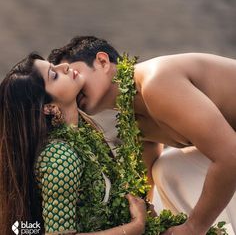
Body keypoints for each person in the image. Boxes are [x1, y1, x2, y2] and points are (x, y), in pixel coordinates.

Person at [48, 36, 236, 235]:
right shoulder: (135, 119)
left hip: (231, 153)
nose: (73, 87)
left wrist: (194, 227)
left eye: (74, 74)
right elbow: (143, 190)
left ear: (102, 62)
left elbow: (230, 155)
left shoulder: (156, 82)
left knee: (170, 169)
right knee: (165, 169)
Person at [0, 53, 147, 235]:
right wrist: (136, 226)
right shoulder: (61, 157)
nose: (65, 67)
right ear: (48, 107)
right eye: (54, 75)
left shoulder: (85, 133)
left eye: (54, 65)